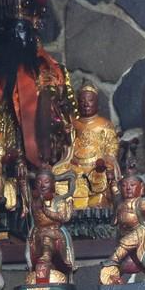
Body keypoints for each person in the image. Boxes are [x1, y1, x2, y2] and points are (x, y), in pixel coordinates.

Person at [51, 81, 118, 210]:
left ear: (97, 103)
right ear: (78, 103)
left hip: (96, 166)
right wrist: (67, 136)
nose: (86, 104)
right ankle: (67, 202)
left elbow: (112, 147)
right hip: (75, 166)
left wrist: (107, 160)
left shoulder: (105, 124)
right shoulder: (74, 124)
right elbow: (66, 147)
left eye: (90, 100)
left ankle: (97, 198)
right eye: (82, 101)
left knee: (102, 175)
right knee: (56, 172)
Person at [100, 171, 145, 286]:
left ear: (141, 187)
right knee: (129, 263)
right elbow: (115, 192)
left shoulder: (141, 203)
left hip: (141, 234)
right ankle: (114, 277)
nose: (128, 188)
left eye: (132, 185)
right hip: (124, 233)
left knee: (136, 252)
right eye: (124, 185)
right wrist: (111, 180)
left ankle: (113, 260)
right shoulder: (119, 201)